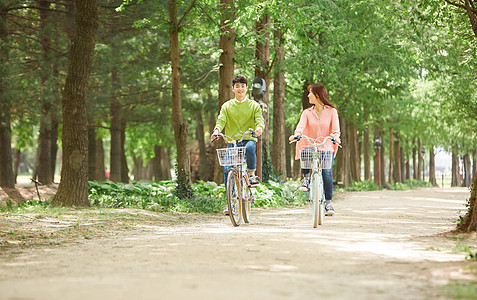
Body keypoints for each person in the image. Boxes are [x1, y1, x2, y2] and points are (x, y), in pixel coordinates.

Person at [289, 83, 340, 216]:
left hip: (326, 146)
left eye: (310, 93)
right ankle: (306, 178)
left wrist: (336, 137)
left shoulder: (332, 112)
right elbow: (300, 127)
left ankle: (328, 203)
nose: (308, 95)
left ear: (317, 95)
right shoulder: (307, 113)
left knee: (326, 172)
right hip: (311, 145)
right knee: (305, 152)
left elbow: (335, 130)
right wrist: (296, 135)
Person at [212, 75, 265, 188]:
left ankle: (251, 174)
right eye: (237, 86)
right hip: (232, 141)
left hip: (248, 138)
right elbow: (221, 120)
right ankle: (230, 202)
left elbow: (259, 120)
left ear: (246, 88)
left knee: (250, 148)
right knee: (228, 169)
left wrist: (259, 129)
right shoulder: (226, 106)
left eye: (242, 86)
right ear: (232, 88)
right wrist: (216, 131)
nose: (240, 89)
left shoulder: (254, 105)